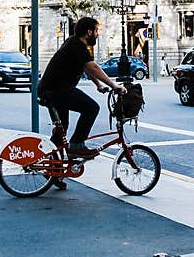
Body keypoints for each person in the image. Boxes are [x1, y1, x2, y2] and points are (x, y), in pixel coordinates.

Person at [38, 17, 127, 188]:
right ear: (89, 32)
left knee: (61, 130)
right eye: (96, 31)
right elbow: (93, 67)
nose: (97, 35)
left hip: (52, 90)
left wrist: (98, 84)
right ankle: (77, 145)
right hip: (57, 90)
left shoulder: (74, 43)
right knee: (91, 108)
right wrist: (114, 85)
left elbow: (86, 67)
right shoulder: (77, 45)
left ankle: (53, 172)